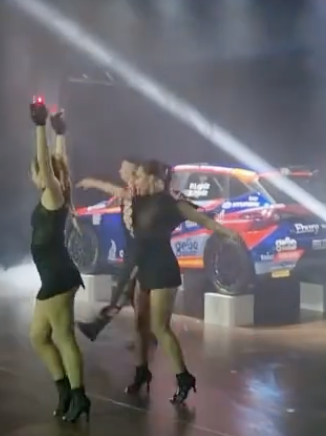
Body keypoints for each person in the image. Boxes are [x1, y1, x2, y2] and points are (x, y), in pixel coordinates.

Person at [128, 159, 240, 403]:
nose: (135, 181)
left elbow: (204, 221)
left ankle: (184, 377)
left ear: (153, 178)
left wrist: (229, 233)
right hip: (143, 268)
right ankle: (141, 372)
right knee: (139, 324)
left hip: (162, 270)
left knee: (160, 327)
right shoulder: (137, 201)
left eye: (139, 176)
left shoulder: (170, 203)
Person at [28, 100, 89, 423]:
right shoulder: (54, 192)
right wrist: (60, 133)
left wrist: (40, 128)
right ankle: (65, 391)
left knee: (63, 337)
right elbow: (59, 162)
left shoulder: (52, 194)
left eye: (35, 169)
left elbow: (48, 163)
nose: (32, 173)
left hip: (58, 276)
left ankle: (79, 397)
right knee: (38, 336)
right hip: (54, 275)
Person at [75, 157, 142, 341]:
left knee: (121, 294)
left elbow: (119, 192)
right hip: (132, 252)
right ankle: (145, 338)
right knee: (132, 297)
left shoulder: (138, 192)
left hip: (138, 254)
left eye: (123, 168)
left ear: (133, 172)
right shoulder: (130, 192)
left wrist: (93, 183)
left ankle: (97, 327)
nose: (120, 171)